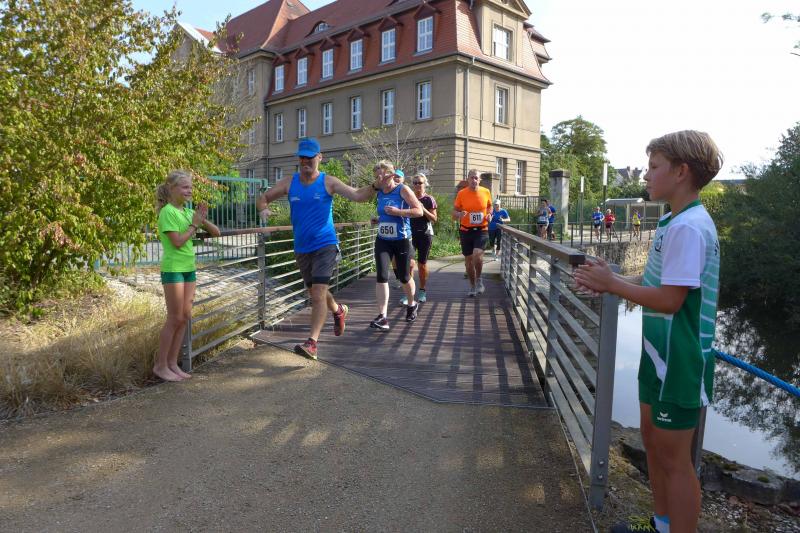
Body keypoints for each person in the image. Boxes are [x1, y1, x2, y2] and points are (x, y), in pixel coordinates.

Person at [574, 130, 723, 533]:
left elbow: (671, 301)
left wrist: (612, 284)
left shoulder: (690, 227)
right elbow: (658, 282)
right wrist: (609, 281)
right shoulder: (674, 221)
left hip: (681, 358)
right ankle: (660, 523)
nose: (646, 175)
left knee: (676, 461)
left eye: (654, 166)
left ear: (681, 171)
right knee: (653, 443)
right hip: (658, 352)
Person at [256, 138, 378, 359]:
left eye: (309, 158)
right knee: (315, 292)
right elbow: (263, 198)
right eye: (302, 158)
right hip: (302, 247)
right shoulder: (289, 182)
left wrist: (375, 186)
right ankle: (338, 311)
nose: (305, 162)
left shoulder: (328, 182)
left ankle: (312, 343)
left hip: (325, 244)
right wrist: (263, 209)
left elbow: (358, 195)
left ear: (319, 158)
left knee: (318, 293)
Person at [154, 170, 220, 382]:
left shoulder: (187, 211)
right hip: (173, 269)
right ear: (171, 189)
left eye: (191, 187)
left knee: (184, 317)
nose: (189, 190)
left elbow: (216, 232)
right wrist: (194, 224)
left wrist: (201, 220)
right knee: (174, 318)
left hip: (189, 269)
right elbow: (177, 242)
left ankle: (173, 363)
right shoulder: (167, 212)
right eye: (185, 187)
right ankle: (160, 366)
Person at [369, 161, 423, 330]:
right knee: (381, 276)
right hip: (383, 239)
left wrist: (399, 212)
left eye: (382, 176)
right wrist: (378, 219)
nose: (379, 180)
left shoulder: (402, 190)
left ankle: (412, 304)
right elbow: (385, 214)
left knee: (404, 277)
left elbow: (419, 211)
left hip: (401, 240)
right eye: (377, 177)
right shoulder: (379, 193)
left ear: (391, 175)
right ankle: (383, 317)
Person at [453, 169, 492, 297]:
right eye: (472, 178)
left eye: (476, 178)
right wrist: (459, 214)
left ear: (480, 180)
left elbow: (489, 206)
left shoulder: (486, 192)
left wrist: (489, 214)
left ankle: (479, 279)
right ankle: (472, 285)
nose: (474, 180)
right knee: (469, 261)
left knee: (477, 255)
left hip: (482, 229)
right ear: (468, 179)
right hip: (465, 230)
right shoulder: (462, 193)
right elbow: (454, 212)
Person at [406, 172, 437, 303]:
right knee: (409, 264)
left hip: (425, 234)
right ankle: (409, 293)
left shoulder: (429, 199)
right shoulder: (408, 198)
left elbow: (434, 219)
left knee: (422, 264)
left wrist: (423, 209)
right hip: (410, 234)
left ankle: (422, 290)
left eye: (420, 183)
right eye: (415, 183)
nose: (417, 185)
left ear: (425, 184)